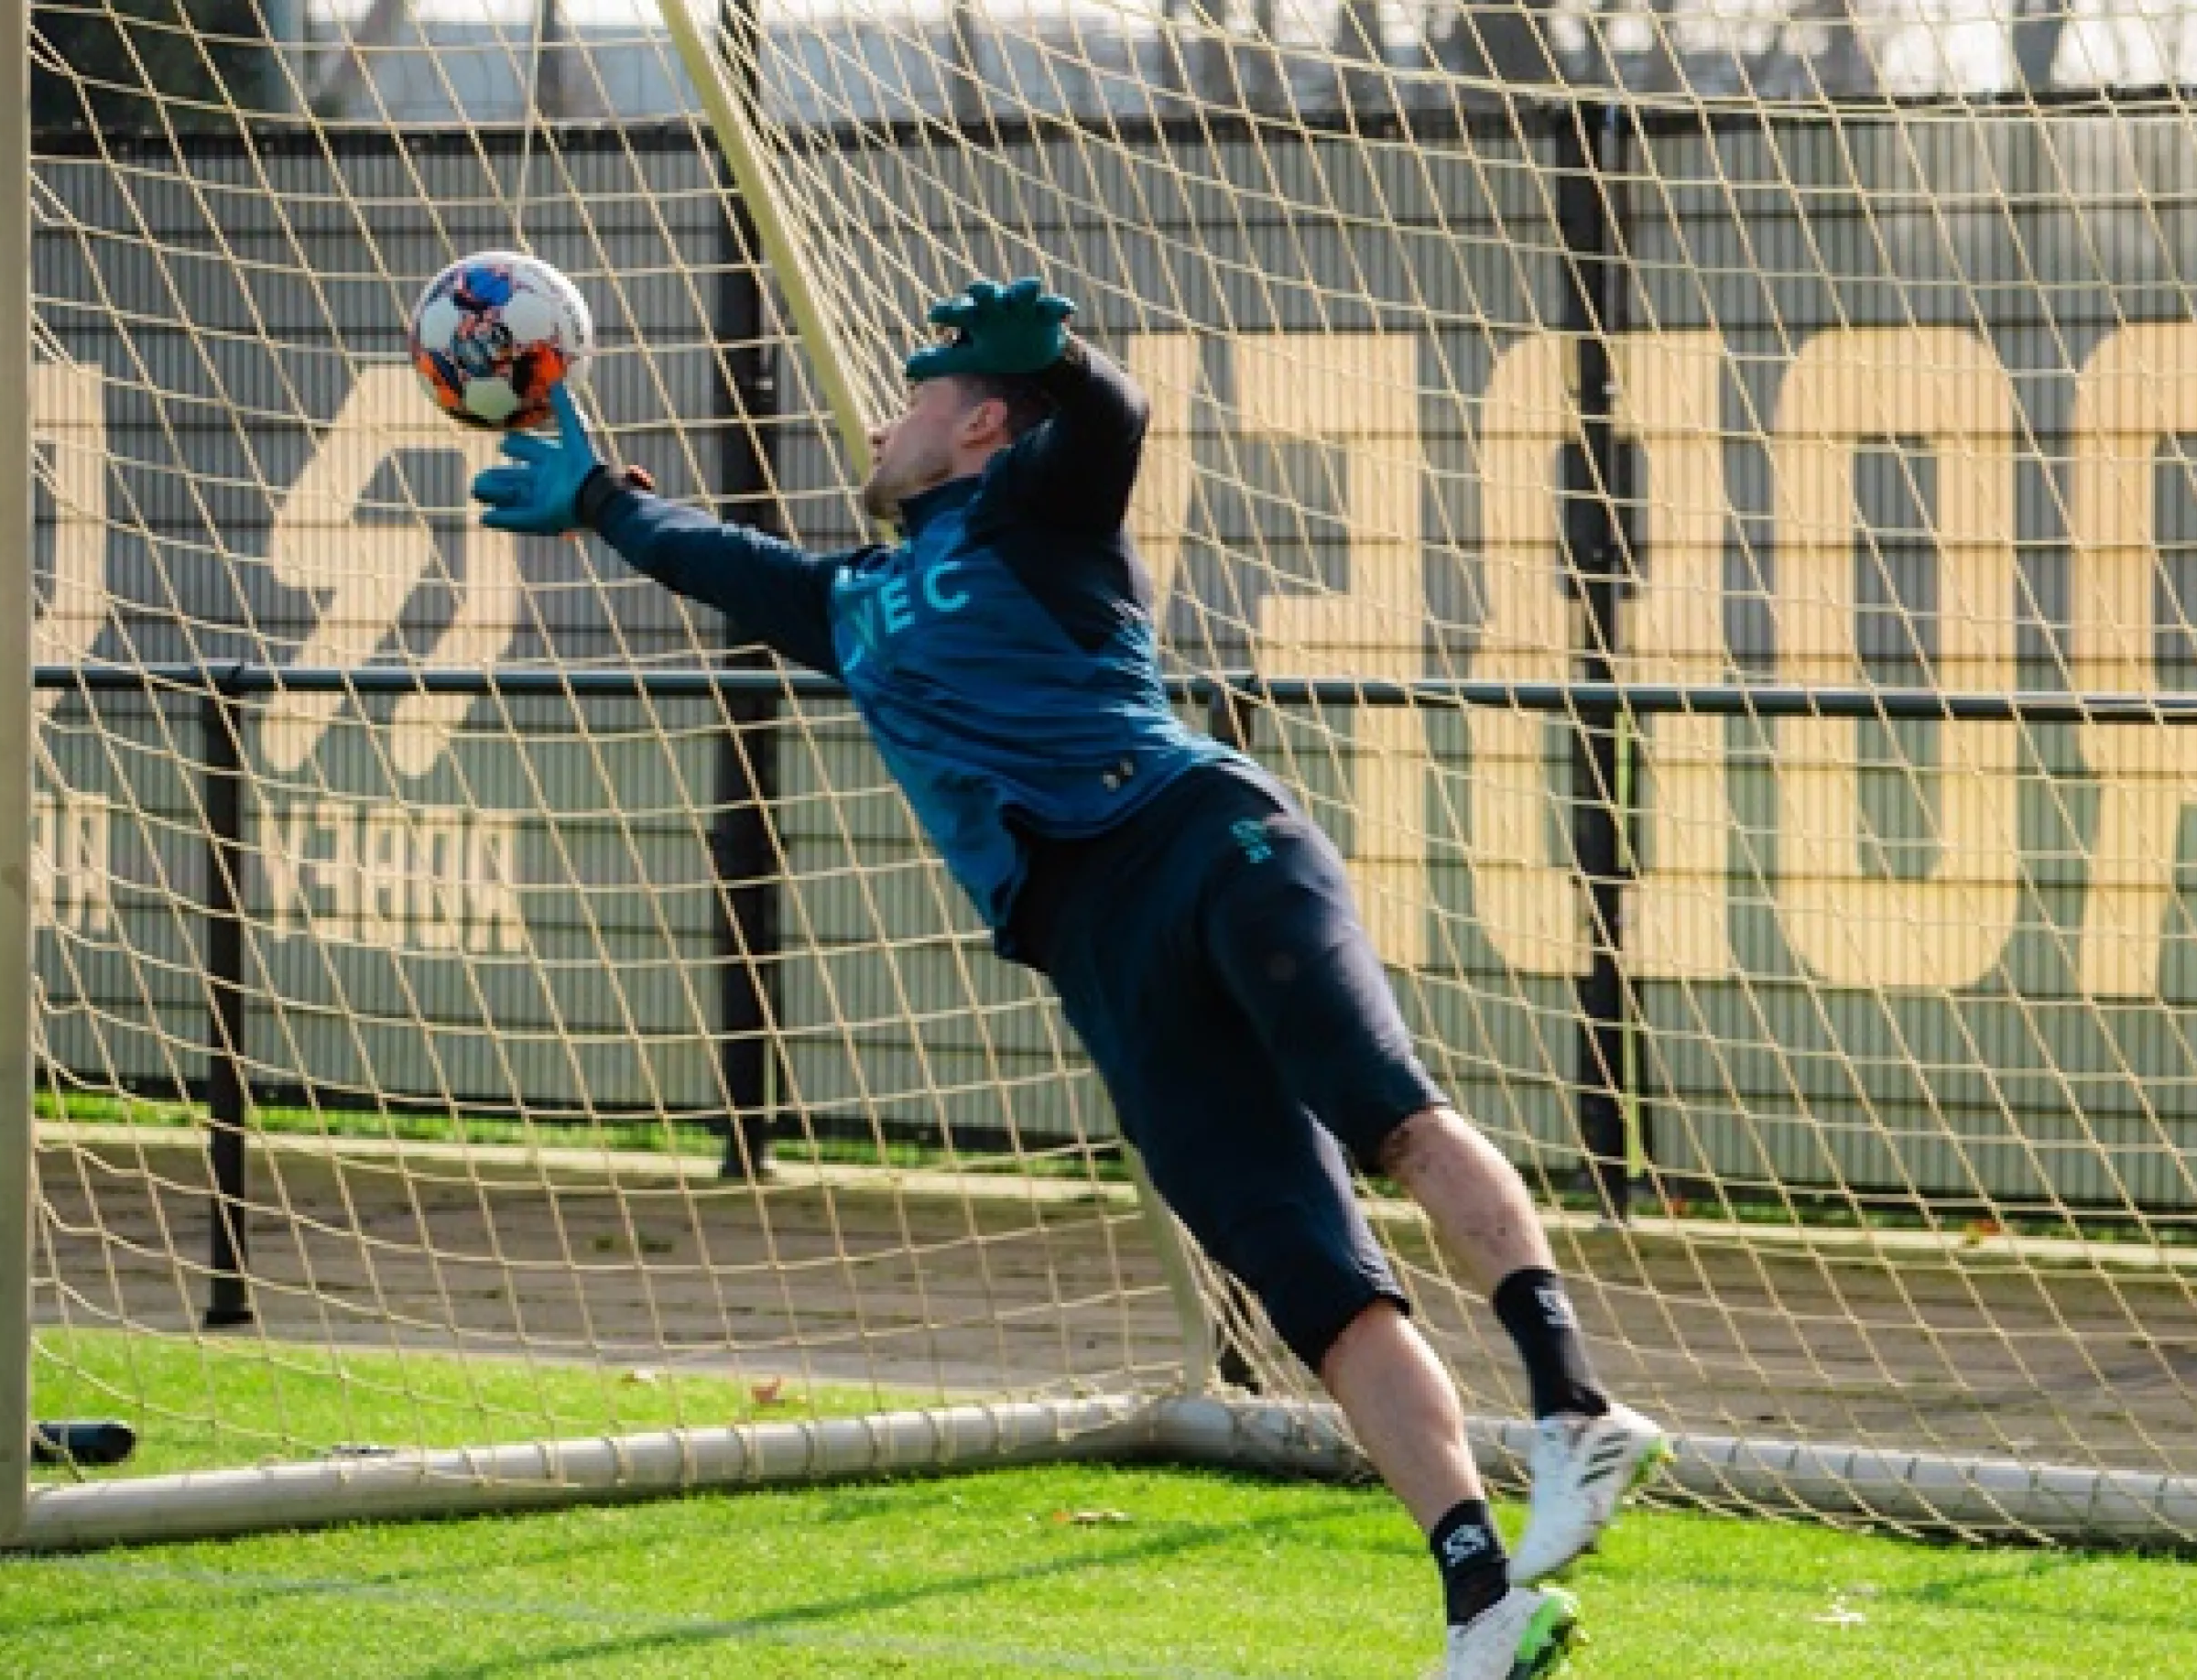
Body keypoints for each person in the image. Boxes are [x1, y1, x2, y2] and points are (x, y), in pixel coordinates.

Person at [472, 277, 1665, 1680]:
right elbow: (711, 554)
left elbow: (1113, 417)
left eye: (911, 395)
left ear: (983, 420)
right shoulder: (852, 601)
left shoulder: (1037, 508)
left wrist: (1070, 360)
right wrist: (604, 496)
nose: (876, 419)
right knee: (1313, 1283)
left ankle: (1574, 1403)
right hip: (1093, 947)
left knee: (1385, 1115)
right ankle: (1483, 1604)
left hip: (1201, 839)